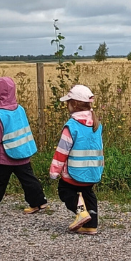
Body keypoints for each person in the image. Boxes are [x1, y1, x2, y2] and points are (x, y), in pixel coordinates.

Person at [0, 76, 49, 213]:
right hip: (22, 152)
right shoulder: (20, 109)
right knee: (28, 179)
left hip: (4, 156)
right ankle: (39, 201)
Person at [49, 85, 102, 235]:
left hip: (73, 173)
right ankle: (91, 225)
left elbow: (61, 152)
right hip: (92, 172)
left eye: (68, 102)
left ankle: (81, 212)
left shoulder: (71, 126)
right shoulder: (97, 124)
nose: (67, 105)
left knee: (65, 191)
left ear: (74, 104)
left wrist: (54, 172)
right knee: (88, 194)